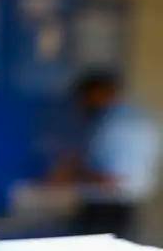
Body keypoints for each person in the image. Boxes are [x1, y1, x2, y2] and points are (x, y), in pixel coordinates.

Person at [50, 71, 162, 238]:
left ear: (99, 92)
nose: (82, 103)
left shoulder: (117, 123)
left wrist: (70, 173)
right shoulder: (136, 117)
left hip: (108, 206)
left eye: (85, 97)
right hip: (125, 202)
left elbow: (111, 178)